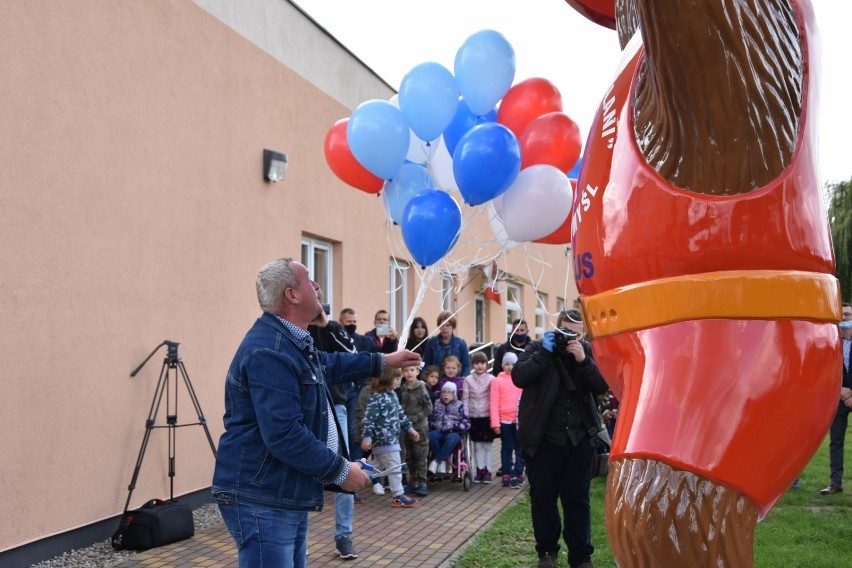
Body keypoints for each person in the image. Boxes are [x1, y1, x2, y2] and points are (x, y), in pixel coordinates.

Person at [211, 258, 421, 568]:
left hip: (280, 491)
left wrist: (385, 361)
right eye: (310, 279)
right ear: (292, 294)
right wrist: (339, 470)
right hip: (263, 497)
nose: (318, 285)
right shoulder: (270, 350)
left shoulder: (291, 342)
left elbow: (333, 364)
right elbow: (283, 433)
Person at [512, 309, 609, 568]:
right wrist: (545, 353)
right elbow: (519, 377)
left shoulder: (588, 351)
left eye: (575, 333)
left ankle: (581, 557)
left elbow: (602, 386)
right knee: (543, 499)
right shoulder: (537, 348)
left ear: (583, 333)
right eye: (565, 331)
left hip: (579, 441)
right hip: (544, 441)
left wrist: (583, 361)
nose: (570, 338)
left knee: (578, 501)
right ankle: (547, 553)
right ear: (557, 328)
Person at [307, 310, 359, 559]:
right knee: (301, 471)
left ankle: (344, 536)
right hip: (304, 407)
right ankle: (299, 540)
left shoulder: (333, 329)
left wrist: (327, 325)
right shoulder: (293, 329)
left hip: (335, 406)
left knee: (343, 468)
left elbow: (353, 355)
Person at [360, 367, 420, 508]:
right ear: (387, 379)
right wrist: (367, 438)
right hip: (384, 441)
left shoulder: (392, 395)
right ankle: (398, 496)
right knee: (394, 468)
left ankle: (348, 486)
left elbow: (400, 415)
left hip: (391, 441)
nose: (400, 381)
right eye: (397, 378)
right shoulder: (376, 397)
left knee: (373, 468)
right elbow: (369, 419)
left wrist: (410, 429)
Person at [822, 302, 852, 495]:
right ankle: (835, 483)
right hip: (839, 398)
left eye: (848, 315)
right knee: (836, 441)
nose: (844, 320)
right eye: (841, 317)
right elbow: (826, 369)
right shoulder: (832, 342)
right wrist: (841, 390)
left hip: (849, 395)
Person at [490, 352, 524, 488]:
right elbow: (494, 403)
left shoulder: (521, 380)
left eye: (513, 364)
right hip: (504, 421)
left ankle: (518, 472)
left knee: (520, 449)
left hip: (519, 421)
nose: (510, 367)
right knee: (506, 448)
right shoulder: (497, 381)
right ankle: (506, 472)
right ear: (503, 365)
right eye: (507, 364)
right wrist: (495, 423)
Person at [400, 364, 433, 496]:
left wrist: (415, 418)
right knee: (409, 455)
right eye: (406, 370)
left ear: (417, 372)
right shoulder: (402, 388)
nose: (409, 373)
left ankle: (422, 483)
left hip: (420, 427)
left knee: (420, 455)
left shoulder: (421, 387)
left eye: (412, 370)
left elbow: (428, 407)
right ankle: (412, 482)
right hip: (406, 428)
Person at [463, 351, 496, 483]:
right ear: (472, 365)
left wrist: (495, 418)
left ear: (486, 365)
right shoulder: (468, 380)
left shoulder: (492, 379)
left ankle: (488, 470)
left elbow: (494, 399)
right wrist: (466, 417)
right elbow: (465, 399)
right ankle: (479, 470)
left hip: (487, 416)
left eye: (482, 363)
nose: (480, 366)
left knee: (487, 445)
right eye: (477, 363)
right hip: (473, 417)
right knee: (476, 445)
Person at [427, 382, 470, 475]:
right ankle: (441, 462)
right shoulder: (436, 403)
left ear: (454, 394)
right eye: (444, 392)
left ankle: (436, 462)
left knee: (453, 438)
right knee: (431, 436)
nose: (446, 394)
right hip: (438, 430)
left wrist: (455, 426)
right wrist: (433, 425)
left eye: (449, 392)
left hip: (452, 431)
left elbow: (467, 423)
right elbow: (429, 419)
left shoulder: (460, 405)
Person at [423, 310, 471, 376]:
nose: (444, 328)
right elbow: (426, 364)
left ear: (453, 326)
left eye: (448, 325)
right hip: (436, 382)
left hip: (456, 382)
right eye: (442, 325)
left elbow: (466, 366)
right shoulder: (432, 342)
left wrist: (463, 380)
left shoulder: (461, 343)